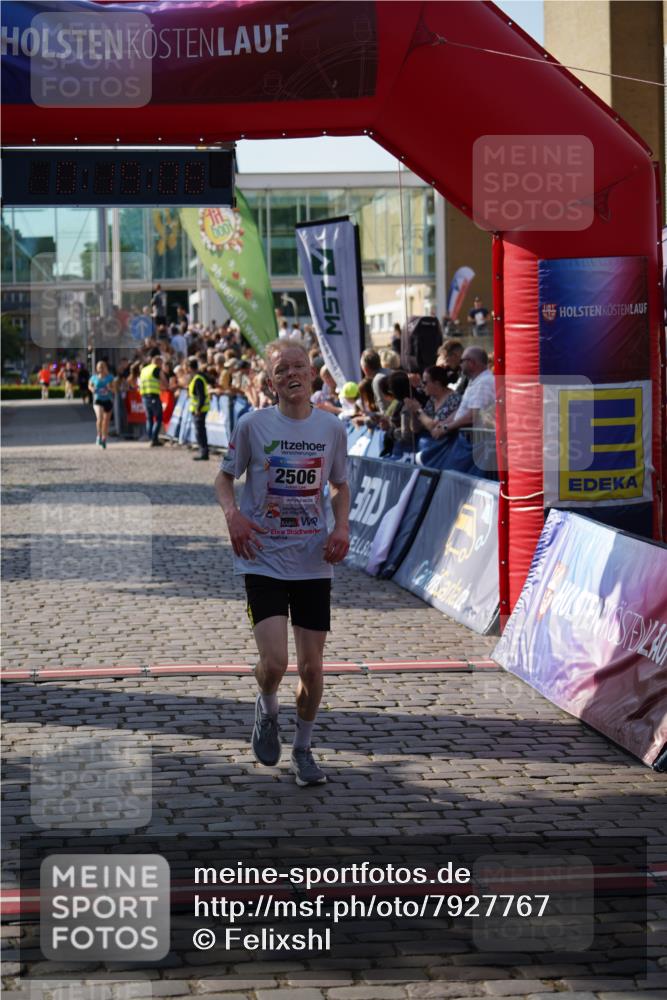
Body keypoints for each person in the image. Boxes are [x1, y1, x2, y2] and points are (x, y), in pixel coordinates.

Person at [215, 340, 350, 787]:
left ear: (313, 375)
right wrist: (234, 516)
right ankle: (267, 707)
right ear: (270, 382)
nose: (291, 374)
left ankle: (304, 749)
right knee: (274, 662)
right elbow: (224, 477)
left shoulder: (331, 429)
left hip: (313, 559)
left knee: (312, 668)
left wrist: (341, 527)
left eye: (299, 366)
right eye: (281, 369)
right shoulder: (253, 425)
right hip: (263, 558)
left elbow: (339, 486)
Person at [139, 348, 168, 447]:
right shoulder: (156, 369)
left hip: (144, 396)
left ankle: (150, 437)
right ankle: (154, 439)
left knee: (149, 419)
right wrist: (165, 386)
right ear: (158, 362)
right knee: (158, 418)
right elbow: (164, 381)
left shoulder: (144, 369)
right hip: (154, 396)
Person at [88, 360, 116, 448]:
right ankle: (99, 435)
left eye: (102, 367)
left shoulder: (110, 377)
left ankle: (104, 438)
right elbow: (90, 385)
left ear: (105, 368)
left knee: (106, 421)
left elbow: (114, 389)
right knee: (99, 418)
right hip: (98, 400)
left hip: (108, 400)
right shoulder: (94, 377)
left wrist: (110, 388)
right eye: (99, 367)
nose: (101, 369)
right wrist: (92, 389)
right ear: (97, 368)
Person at [187, 357, 210, 461]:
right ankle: (203, 452)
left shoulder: (198, 379)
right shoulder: (198, 377)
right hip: (199, 409)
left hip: (199, 410)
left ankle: (204, 453)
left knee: (200, 432)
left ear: (189, 367)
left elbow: (201, 396)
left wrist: (198, 409)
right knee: (200, 431)